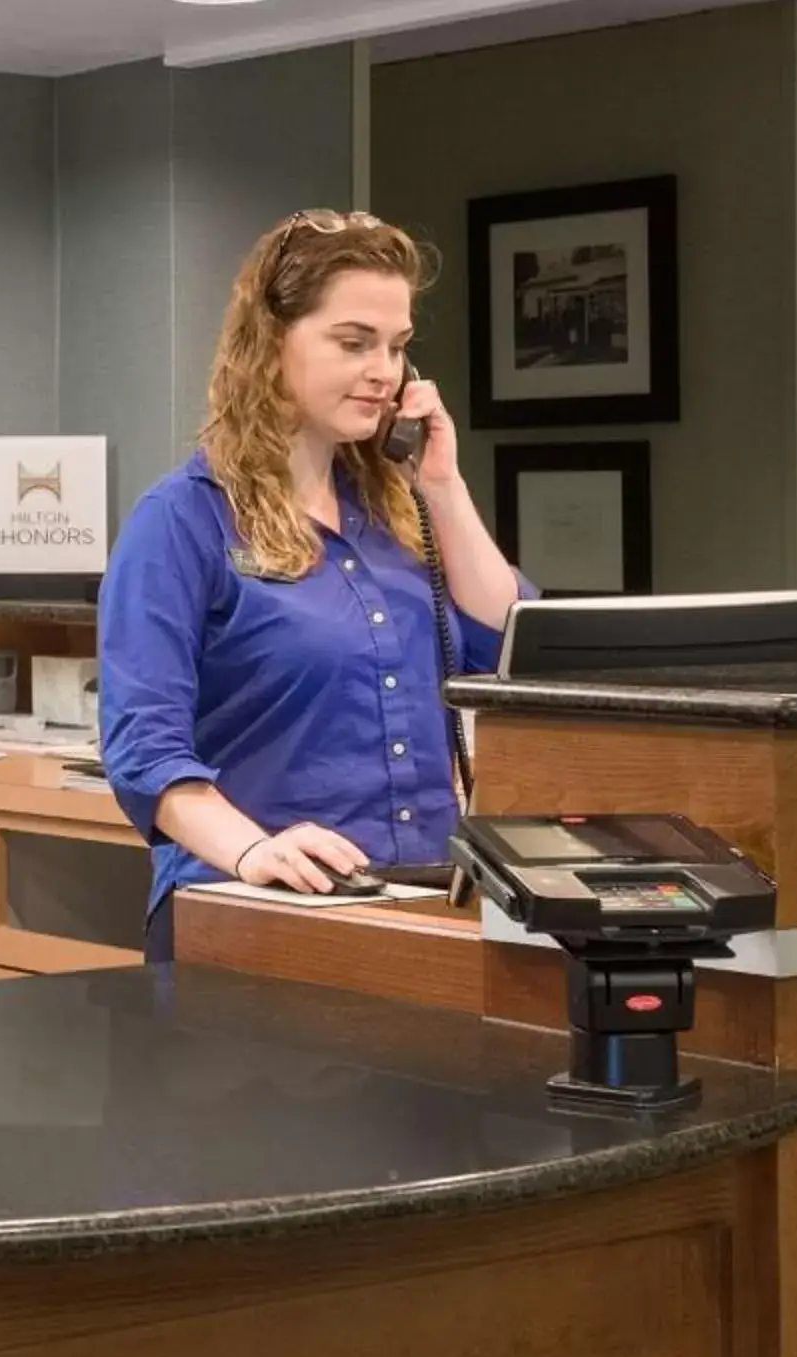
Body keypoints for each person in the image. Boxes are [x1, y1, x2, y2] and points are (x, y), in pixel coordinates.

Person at [100, 209, 530, 962]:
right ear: (272, 345)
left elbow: (512, 651)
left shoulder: (401, 518)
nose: (384, 371)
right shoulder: (182, 520)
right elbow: (144, 750)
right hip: (252, 911)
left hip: (417, 904)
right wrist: (254, 851)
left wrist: (444, 486)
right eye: (353, 342)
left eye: (397, 348)